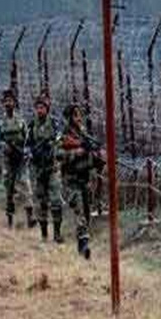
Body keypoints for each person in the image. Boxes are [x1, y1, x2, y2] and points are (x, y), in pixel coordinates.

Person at [57, 103, 105, 260]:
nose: (79, 118)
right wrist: (77, 152)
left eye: (80, 115)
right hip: (70, 181)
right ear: (70, 118)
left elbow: (90, 156)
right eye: (76, 115)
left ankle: (81, 243)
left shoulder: (84, 134)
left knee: (86, 212)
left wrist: (98, 159)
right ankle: (84, 244)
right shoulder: (63, 134)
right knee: (79, 212)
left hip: (84, 180)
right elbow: (57, 154)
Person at [0, 89, 35, 229]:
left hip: (21, 158)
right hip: (8, 159)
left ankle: (30, 218)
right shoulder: (0, 122)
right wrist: (4, 146)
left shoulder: (21, 121)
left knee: (26, 186)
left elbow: (28, 139)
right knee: (9, 188)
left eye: (10, 101)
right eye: (5, 101)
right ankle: (10, 220)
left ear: (14, 102)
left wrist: (26, 151)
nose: (8, 103)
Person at [26, 94, 63, 243]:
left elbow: (60, 140)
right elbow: (27, 145)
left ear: (47, 109)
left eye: (42, 108)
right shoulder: (31, 125)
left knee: (56, 200)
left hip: (52, 167)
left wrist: (52, 147)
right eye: (38, 108)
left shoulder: (54, 124)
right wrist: (30, 153)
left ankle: (57, 234)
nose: (40, 110)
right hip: (38, 168)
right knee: (41, 201)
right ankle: (44, 234)